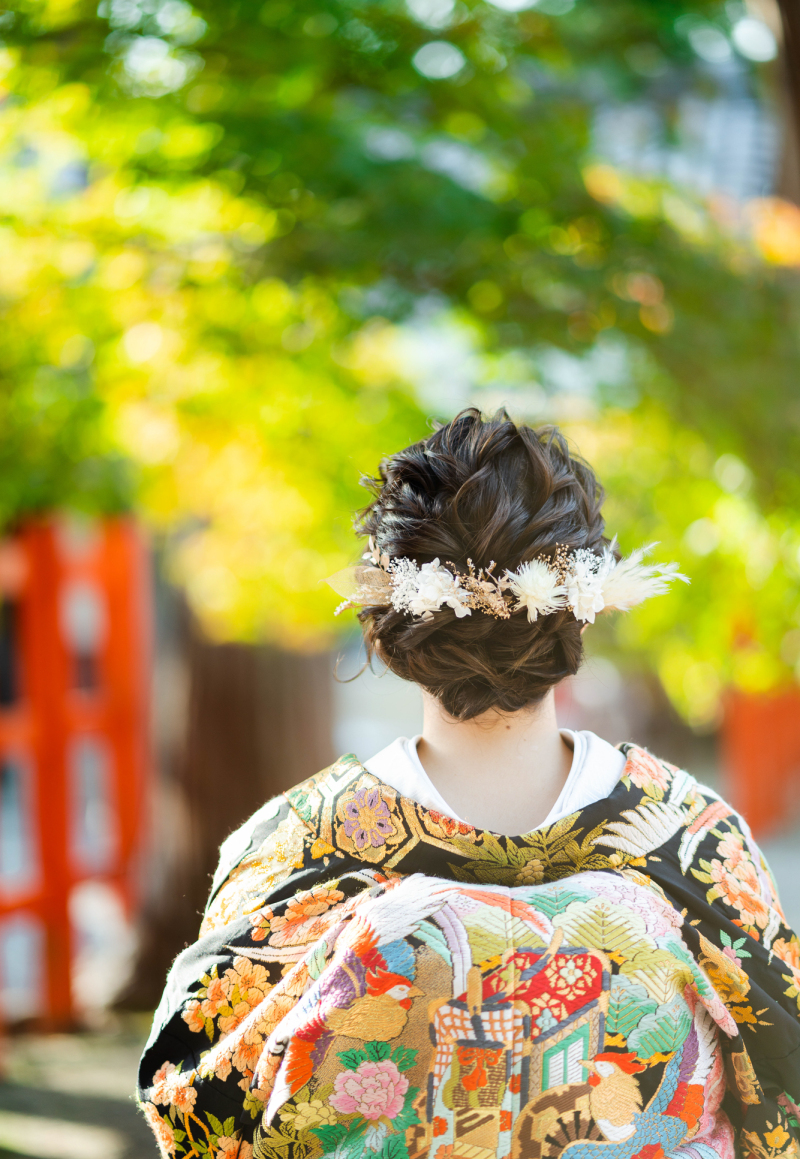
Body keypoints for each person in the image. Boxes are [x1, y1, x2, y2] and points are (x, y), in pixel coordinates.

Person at [139, 409, 800, 1159]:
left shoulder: (297, 842)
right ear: (581, 614)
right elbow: (782, 1088)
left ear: (393, 622)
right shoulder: (690, 834)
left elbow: (198, 1104)